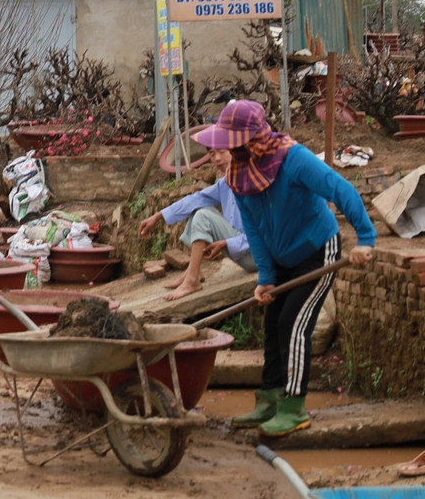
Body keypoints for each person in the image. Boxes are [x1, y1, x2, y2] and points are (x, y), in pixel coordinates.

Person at [191, 99, 375, 438]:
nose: (221, 148)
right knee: (274, 323)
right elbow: (255, 229)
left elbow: (340, 188)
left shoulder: (292, 159)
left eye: (227, 140)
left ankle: (294, 407)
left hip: (316, 249)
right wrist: (266, 277)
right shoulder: (238, 173)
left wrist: (366, 237)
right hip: (279, 257)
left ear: (249, 138)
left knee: (294, 323)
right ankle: (270, 399)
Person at [138, 149, 256, 301]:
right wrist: (158, 215)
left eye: (222, 152)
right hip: (241, 251)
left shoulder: (254, 183)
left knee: (203, 215)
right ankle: (193, 271)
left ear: (235, 151)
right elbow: (195, 199)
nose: (217, 159)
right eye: (212, 154)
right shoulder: (226, 183)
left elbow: (267, 233)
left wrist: (227, 242)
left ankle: (192, 280)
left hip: (257, 257)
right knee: (197, 208)